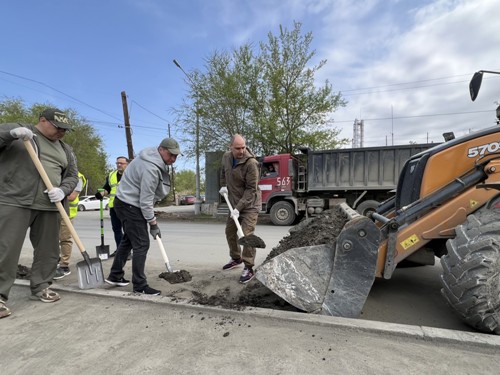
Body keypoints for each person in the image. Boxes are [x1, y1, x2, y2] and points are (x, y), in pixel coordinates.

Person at [0, 108, 78, 318]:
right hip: (14, 200)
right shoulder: (18, 130)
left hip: (49, 205)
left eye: (65, 129)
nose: (62, 132)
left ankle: (41, 286)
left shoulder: (66, 149)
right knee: (5, 249)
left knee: (48, 250)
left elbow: (72, 176)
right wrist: (10, 135)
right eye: (58, 127)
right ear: (42, 120)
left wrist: (63, 189)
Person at [105, 138, 182, 295]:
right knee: (141, 244)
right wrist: (153, 223)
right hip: (130, 205)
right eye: (171, 155)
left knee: (128, 240)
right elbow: (146, 201)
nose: (173, 159)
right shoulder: (150, 169)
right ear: (161, 149)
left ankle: (115, 275)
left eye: (176, 156)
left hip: (124, 202)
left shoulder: (148, 155)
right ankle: (140, 285)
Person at [219, 134, 262, 283]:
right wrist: (223, 185)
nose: (241, 151)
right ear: (230, 147)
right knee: (230, 231)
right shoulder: (226, 157)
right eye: (238, 148)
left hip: (250, 205)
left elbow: (251, 189)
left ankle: (249, 267)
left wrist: (238, 208)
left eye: (243, 147)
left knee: (246, 234)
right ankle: (236, 258)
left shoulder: (251, 164)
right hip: (234, 203)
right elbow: (223, 172)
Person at [53, 171, 86, 279]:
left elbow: (72, 196)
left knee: (65, 239)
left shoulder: (78, 178)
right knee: (52, 239)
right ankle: (54, 262)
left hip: (67, 214)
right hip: (54, 212)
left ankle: (64, 266)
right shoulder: (58, 173)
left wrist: (54, 196)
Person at [95, 156, 129, 257]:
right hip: (114, 207)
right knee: (117, 230)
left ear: (127, 164)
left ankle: (127, 252)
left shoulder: (131, 174)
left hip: (127, 206)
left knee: (128, 231)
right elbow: (107, 189)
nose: (119, 165)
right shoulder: (111, 175)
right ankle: (120, 250)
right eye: (117, 163)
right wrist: (100, 194)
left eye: (121, 163)